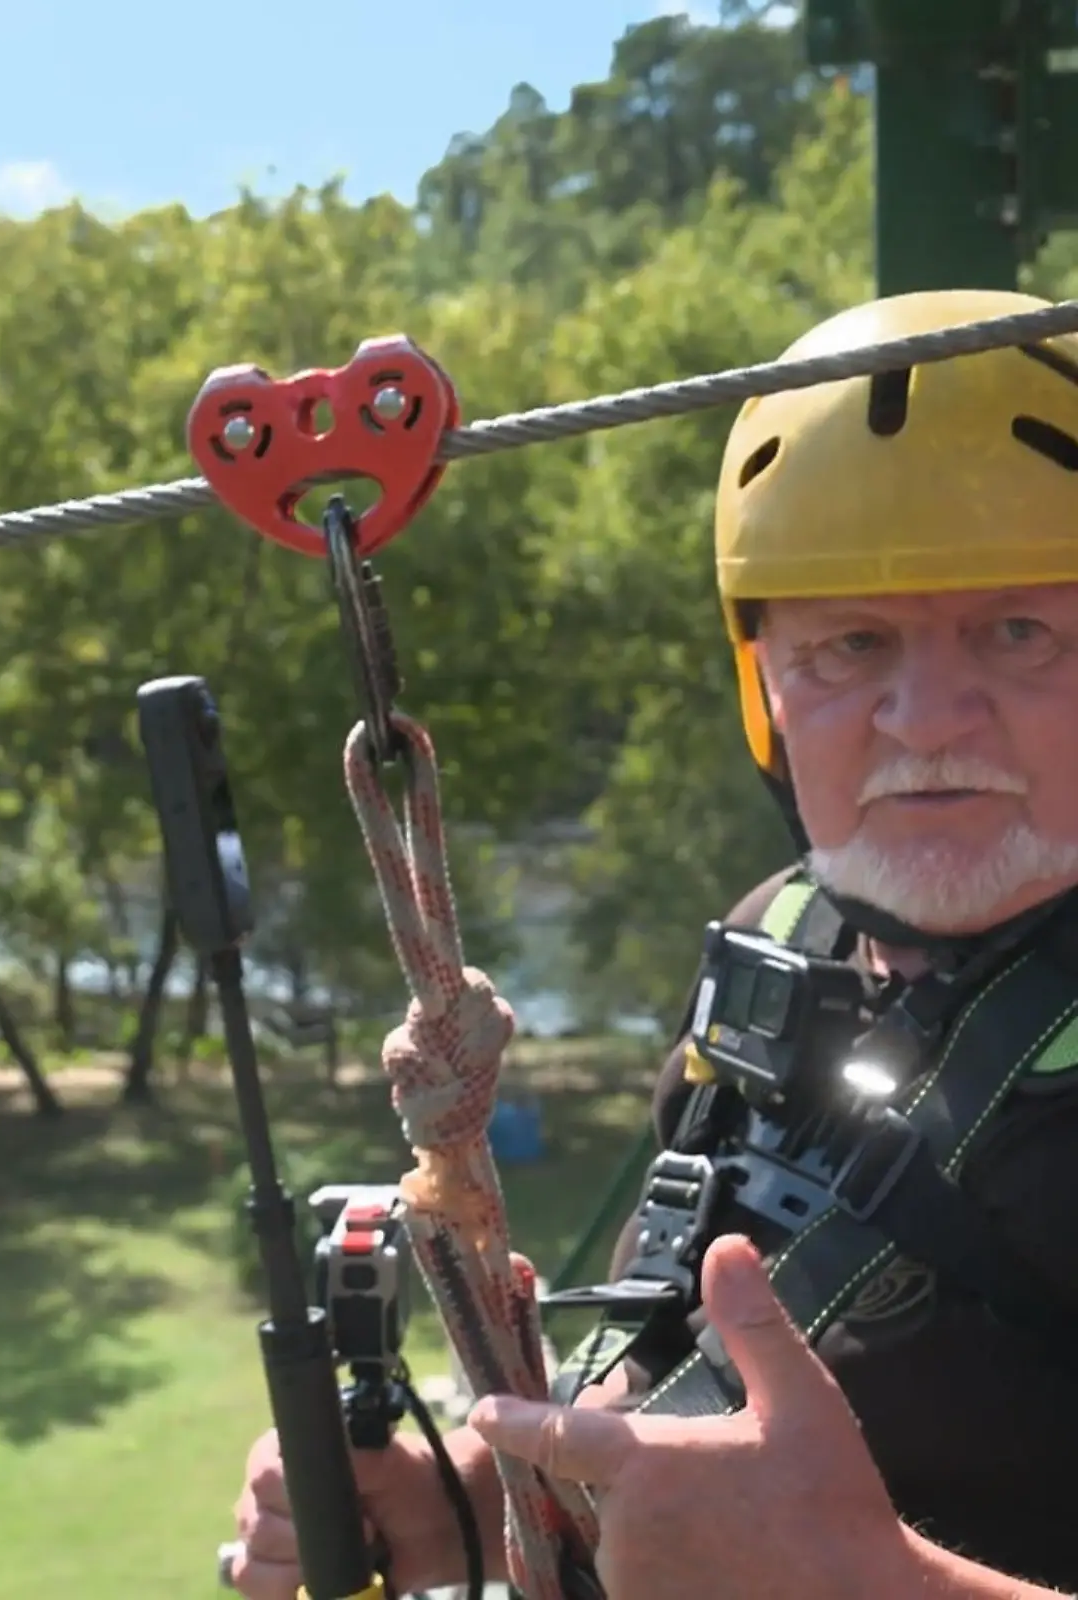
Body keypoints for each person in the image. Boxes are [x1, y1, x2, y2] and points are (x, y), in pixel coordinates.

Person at [226, 287, 1078, 1599]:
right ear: (766, 684)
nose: (926, 718)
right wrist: (459, 1498)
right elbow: (667, 1356)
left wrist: (870, 1583)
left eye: (1018, 632)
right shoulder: (777, 938)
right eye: (852, 643)